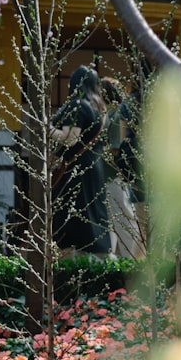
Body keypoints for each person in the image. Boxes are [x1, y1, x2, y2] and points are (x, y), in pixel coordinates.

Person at [49, 66, 111, 257]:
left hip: (76, 170)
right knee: (93, 210)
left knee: (72, 211)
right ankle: (99, 251)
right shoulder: (99, 108)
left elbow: (70, 138)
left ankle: (68, 255)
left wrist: (46, 128)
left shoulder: (78, 105)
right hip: (94, 167)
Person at [100, 77, 145, 259]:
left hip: (114, 175)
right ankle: (119, 260)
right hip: (114, 175)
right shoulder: (113, 113)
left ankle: (130, 262)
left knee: (123, 218)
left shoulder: (114, 115)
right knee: (117, 218)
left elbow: (115, 148)